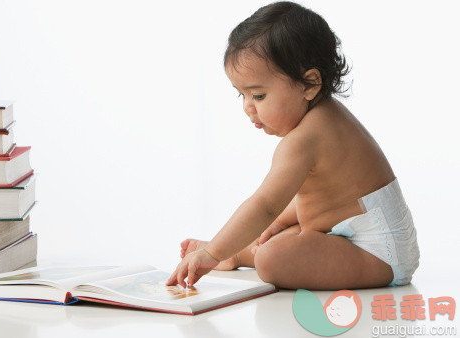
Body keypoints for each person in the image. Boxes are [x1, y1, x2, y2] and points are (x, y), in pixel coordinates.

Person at [166, 1, 419, 290]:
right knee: (278, 228)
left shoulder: (305, 139)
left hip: (379, 254)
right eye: (242, 96)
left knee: (272, 258)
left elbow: (265, 205)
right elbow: (314, 197)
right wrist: (276, 223)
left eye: (258, 95)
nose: (248, 107)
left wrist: (212, 253)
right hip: (351, 231)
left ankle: (236, 252)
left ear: (309, 84)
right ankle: (239, 250)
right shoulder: (326, 117)